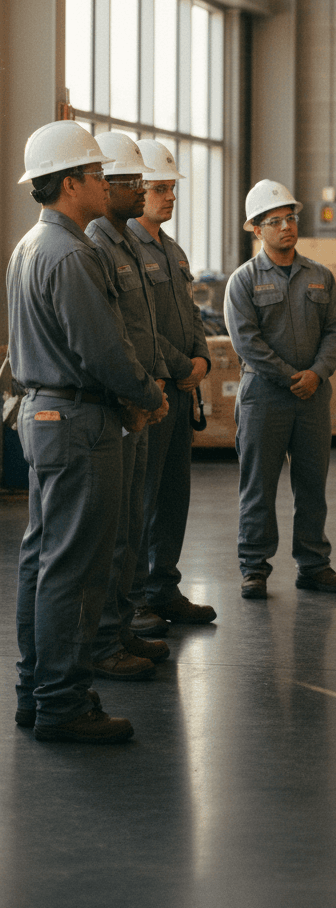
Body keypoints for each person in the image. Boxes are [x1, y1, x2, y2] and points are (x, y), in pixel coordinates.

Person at [8, 121, 166, 744]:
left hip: (43, 416)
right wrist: (147, 395)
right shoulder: (72, 253)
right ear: (70, 183)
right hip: (79, 423)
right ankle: (63, 704)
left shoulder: (30, 246)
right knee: (75, 570)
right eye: (98, 174)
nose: (107, 184)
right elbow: (102, 348)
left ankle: (35, 692)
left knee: (42, 563)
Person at [224, 179, 336, 599]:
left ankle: (313, 564)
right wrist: (290, 376)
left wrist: (317, 373)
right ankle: (254, 568)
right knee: (258, 486)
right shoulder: (242, 282)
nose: (285, 227)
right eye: (274, 221)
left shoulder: (320, 276)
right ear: (256, 229)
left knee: (312, 484)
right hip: (264, 397)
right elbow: (247, 342)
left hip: (312, 397)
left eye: (290, 218)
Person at [86, 132, 172, 679]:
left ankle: (119, 630)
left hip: (142, 399)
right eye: (131, 182)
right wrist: (137, 394)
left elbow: (145, 328)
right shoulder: (93, 245)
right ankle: (102, 643)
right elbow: (108, 337)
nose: (142, 190)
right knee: (112, 535)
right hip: (120, 406)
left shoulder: (128, 245)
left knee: (133, 523)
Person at [127, 139, 215, 633]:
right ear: (136, 189)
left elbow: (191, 313)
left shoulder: (173, 250)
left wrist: (202, 357)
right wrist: (182, 364)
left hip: (183, 389)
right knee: (143, 496)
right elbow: (140, 327)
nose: (169, 197)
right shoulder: (123, 248)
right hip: (158, 388)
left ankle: (164, 586)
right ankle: (135, 596)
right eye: (160, 188)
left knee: (173, 495)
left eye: (172, 188)